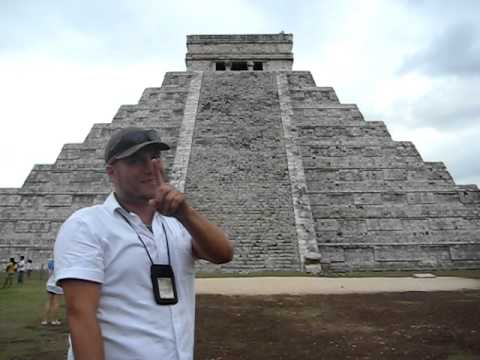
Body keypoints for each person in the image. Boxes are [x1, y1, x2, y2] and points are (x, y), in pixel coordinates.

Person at [54, 127, 234, 360]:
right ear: (111, 171)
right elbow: (81, 315)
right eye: (135, 161)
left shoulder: (177, 222)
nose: (149, 167)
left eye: (154, 157)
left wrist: (186, 213)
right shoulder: (86, 225)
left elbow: (223, 254)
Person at [41, 260, 63, 325]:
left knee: (48, 302)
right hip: (58, 285)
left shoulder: (50, 263)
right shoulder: (61, 263)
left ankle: (45, 320)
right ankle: (54, 320)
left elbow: (49, 274)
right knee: (56, 303)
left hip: (50, 284)